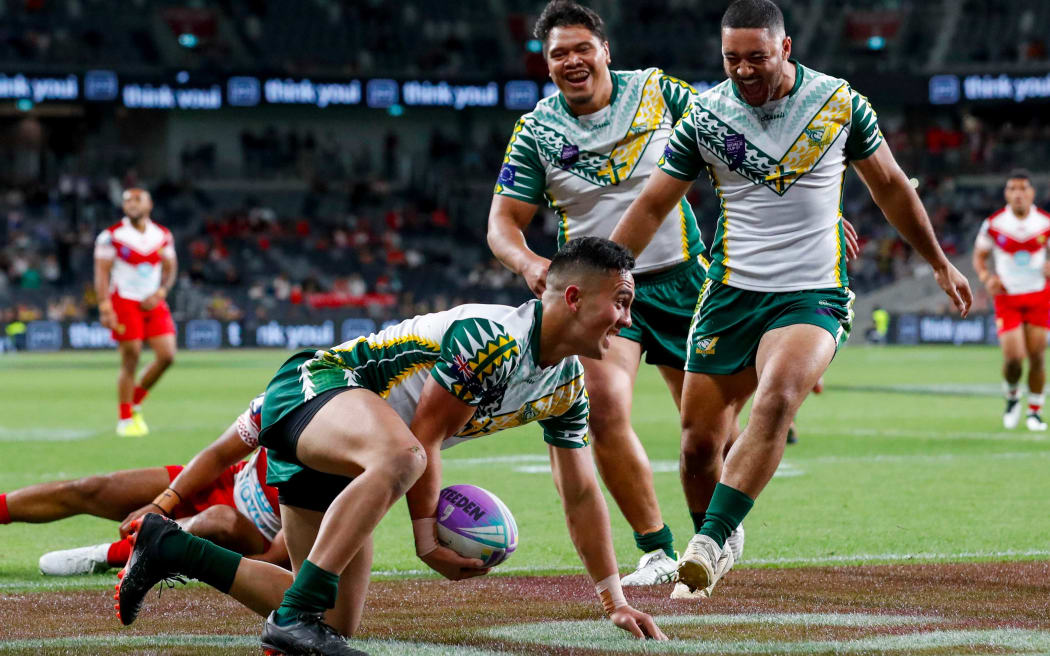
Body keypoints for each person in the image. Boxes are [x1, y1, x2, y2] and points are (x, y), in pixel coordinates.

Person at [115, 237, 667, 655]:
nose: (626, 319)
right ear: (573, 297)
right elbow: (422, 437)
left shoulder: (567, 387)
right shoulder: (492, 339)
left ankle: (172, 548)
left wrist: (613, 599)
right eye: (620, 302)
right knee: (404, 457)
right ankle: (293, 617)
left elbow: (579, 493)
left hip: (355, 452)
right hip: (318, 388)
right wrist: (427, 541)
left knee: (336, 623)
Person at [610, 0, 971, 598]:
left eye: (756, 57)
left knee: (777, 398)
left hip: (812, 292)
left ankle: (706, 543)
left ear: (787, 48)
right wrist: (609, 275)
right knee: (698, 446)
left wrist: (937, 261)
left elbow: (888, 185)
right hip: (729, 293)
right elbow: (653, 203)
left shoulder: (838, 103)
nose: (744, 70)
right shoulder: (705, 116)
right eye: (731, 59)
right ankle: (719, 538)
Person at [0, 394, 286, 574]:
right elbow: (217, 455)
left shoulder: (331, 457)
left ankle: (105, 555)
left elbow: (277, 557)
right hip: (221, 484)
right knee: (92, 488)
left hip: (256, 536)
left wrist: (215, 563)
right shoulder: (286, 397)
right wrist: (162, 503)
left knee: (219, 520)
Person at [94, 188, 178, 437]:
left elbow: (170, 267)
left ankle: (136, 399)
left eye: (137, 200)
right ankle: (125, 418)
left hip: (153, 302)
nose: (131, 204)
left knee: (167, 356)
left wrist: (161, 292)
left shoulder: (162, 235)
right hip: (124, 302)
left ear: (149, 204)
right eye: (127, 200)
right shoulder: (111, 236)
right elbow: (101, 273)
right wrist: (104, 306)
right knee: (131, 359)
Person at [973, 169, 1050, 431]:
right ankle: (1013, 395)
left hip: (1039, 295)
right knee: (1014, 358)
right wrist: (986, 278)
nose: (1018, 194)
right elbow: (979, 256)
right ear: (1006, 193)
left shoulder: (1044, 222)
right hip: (1008, 297)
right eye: (1013, 189)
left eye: (1023, 188)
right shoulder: (994, 224)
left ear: (1032, 192)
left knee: (1038, 356)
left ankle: (1035, 411)